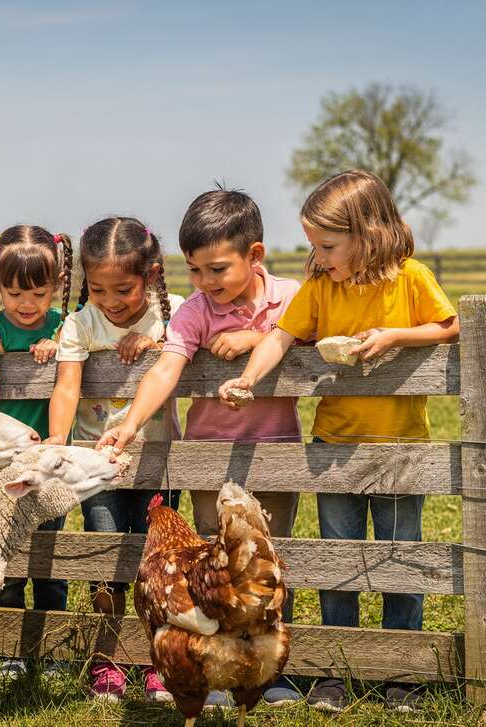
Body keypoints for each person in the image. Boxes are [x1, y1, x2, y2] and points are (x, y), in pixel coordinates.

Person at [218, 169, 460, 713]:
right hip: (332, 447)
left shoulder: (412, 278)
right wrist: (249, 380)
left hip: (399, 446)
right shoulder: (321, 289)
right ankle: (336, 670)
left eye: (327, 245)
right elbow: (280, 335)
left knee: (401, 559)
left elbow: (451, 325)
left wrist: (397, 335)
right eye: (314, 246)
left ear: (367, 233)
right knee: (337, 560)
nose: (319, 256)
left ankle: (403, 672)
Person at [95, 188, 304, 707]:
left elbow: (306, 336)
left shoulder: (290, 297)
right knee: (211, 571)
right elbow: (167, 367)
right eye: (194, 271)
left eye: (217, 269)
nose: (206, 283)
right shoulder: (194, 312)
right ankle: (213, 667)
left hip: (276, 451)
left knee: (270, 565)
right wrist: (130, 423)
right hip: (209, 456)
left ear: (255, 255)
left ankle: (269, 672)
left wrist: (257, 341)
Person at [46, 216, 183, 703]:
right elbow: (67, 385)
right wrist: (59, 439)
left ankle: (154, 658)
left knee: (156, 561)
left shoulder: (173, 315)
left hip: (155, 463)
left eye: (122, 288)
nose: (110, 301)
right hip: (97, 464)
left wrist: (154, 344)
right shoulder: (80, 324)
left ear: (150, 274)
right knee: (106, 553)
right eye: (99, 290)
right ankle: (108, 659)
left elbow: (186, 349)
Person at [0, 224, 72, 677]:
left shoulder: (65, 327)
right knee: (5, 554)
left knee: (50, 549)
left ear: (57, 286)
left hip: (47, 464)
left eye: (39, 294)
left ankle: (54, 648)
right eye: (15, 294)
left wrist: (56, 342)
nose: (27, 305)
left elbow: (73, 365)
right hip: (4, 463)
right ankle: (7, 646)